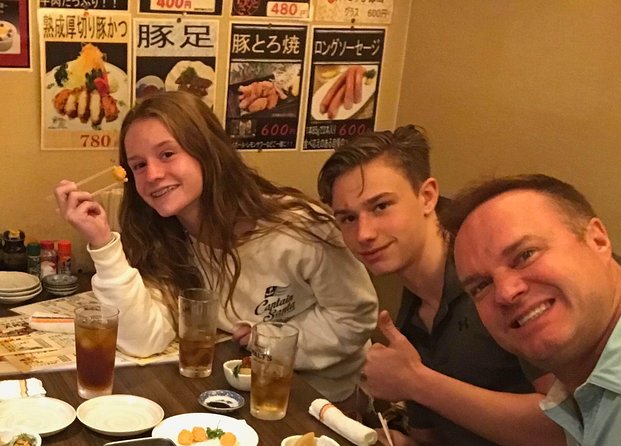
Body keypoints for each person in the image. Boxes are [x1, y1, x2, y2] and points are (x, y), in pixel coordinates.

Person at [54, 90, 378, 402]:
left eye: (167, 154)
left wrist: (267, 340)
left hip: (319, 397)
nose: (152, 174)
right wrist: (102, 242)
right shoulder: (166, 238)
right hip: (234, 389)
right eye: (138, 165)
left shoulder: (299, 227)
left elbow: (354, 318)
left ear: (207, 151)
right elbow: (143, 339)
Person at [317, 126, 564, 446]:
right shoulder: (409, 315)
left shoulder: (499, 283)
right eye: (348, 218)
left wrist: (416, 382)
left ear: (427, 196)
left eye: (381, 206)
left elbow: (564, 426)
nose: (364, 233)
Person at [446, 174, 621, 446]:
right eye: (482, 286)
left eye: (525, 255)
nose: (505, 292)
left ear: (597, 240)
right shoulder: (579, 401)